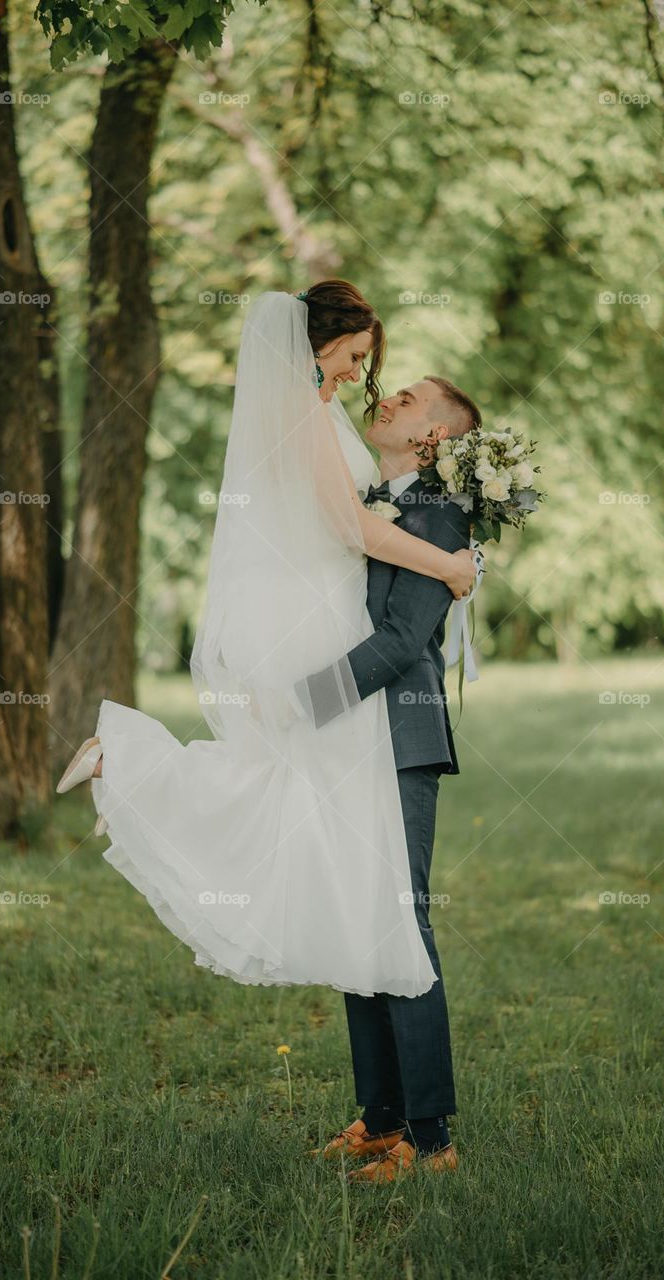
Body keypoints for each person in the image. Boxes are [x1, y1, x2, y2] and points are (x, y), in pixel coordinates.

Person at [56, 283, 476, 1011]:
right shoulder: (306, 417)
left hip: (332, 641)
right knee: (284, 800)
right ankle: (125, 757)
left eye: (366, 365)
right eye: (352, 356)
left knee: (284, 803)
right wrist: (448, 566)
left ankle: (126, 760)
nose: (359, 374)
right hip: (324, 640)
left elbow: (370, 555)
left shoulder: (321, 420)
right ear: (316, 344)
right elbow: (352, 529)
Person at [298, 375, 482, 1182]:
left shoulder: (438, 515)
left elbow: (406, 636)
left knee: (402, 924)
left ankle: (432, 1140)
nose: (388, 398)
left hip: (397, 737)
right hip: (354, 742)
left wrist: (308, 702)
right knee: (356, 919)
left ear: (434, 437)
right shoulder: (370, 499)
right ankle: (379, 1119)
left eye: (408, 399)